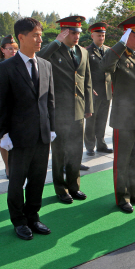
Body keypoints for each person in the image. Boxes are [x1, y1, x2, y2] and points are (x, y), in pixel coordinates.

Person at [0, 17, 56, 240]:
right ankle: (19, 221)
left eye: (40, 35)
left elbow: (50, 101)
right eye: (35, 35)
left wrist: (52, 127)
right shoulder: (6, 68)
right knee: (17, 180)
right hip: (19, 136)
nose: (40, 39)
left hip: (42, 135)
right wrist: (3, 134)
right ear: (21, 38)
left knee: (38, 178)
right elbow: (1, 104)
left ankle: (33, 216)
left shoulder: (46, 66)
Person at [99, 14, 135, 213]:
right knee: (122, 160)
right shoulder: (116, 54)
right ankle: (122, 197)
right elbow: (104, 66)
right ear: (126, 35)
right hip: (124, 118)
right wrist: (120, 44)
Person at [37, 16, 92, 204]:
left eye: (78, 32)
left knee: (76, 151)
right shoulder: (54, 51)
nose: (76, 36)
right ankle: (61, 189)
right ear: (64, 32)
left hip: (78, 110)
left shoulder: (82, 52)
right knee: (59, 153)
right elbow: (38, 58)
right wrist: (55, 42)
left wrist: (89, 106)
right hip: (59, 111)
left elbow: (87, 80)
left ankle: (74, 186)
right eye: (72, 32)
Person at [0, 35, 18, 177]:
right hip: (3, 110)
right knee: (4, 139)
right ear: (2, 50)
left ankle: (17, 165)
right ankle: (8, 167)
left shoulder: (20, 63)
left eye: (15, 48)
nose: (13, 51)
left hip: (18, 109)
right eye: (9, 49)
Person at [84, 22, 113, 156]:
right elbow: (83, 72)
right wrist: (88, 89)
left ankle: (101, 144)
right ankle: (90, 146)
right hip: (94, 92)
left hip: (106, 91)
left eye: (103, 35)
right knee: (91, 121)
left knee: (102, 119)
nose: (101, 38)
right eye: (99, 35)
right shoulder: (86, 52)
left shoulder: (109, 50)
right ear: (92, 36)